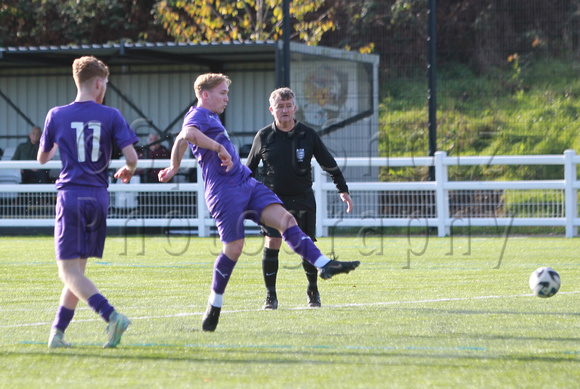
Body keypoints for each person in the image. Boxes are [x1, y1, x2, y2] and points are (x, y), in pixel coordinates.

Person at [158, 73, 360, 332]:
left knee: (286, 220)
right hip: (223, 190)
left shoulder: (210, 116)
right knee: (234, 249)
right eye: (222, 93)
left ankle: (325, 265)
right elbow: (187, 133)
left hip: (245, 181)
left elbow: (179, 140)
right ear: (205, 95)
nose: (227, 98)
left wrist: (174, 165)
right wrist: (217, 148)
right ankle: (215, 303)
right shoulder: (197, 115)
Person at [38, 56, 139, 348]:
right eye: (105, 84)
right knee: (76, 273)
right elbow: (132, 158)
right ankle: (57, 334)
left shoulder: (56, 115)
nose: (104, 89)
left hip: (71, 196)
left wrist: (57, 140)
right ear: (98, 83)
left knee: (67, 272)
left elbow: (42, 158)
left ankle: (112, 317)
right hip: (97, 198)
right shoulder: (111, 115)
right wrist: (128, 170)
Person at [246, 87, 353, 310]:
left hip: (302, 198)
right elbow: (248, 171)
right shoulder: (263, 136)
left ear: (294, 108)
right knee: (272, 242)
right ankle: (270, 297)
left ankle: (313, 292)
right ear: (271, 110)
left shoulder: (308, 135)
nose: (284, 111)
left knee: (306, 243)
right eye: (279, 107)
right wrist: (241, 198)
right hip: (272, 200)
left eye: (288, 106)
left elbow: (328, 162)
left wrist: (342, 189)